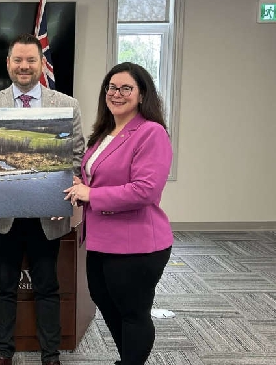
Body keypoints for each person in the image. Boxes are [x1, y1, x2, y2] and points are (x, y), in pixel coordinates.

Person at [0, 34, 84, 365]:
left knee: (47, 286)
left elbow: (76, 156)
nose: (24, 66)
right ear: (8, 63)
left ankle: (50, 356)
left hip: (47, 214)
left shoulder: (66, 104)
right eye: (18, 60)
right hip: (3, 215)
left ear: (41, 64)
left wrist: (61, 195)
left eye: (31, 60)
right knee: (4, 286)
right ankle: (2, 352)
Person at [64, 62, 173, 365]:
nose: (117, 93)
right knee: (105, 301)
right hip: (100, 240)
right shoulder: (105, 132)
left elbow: (145, 190)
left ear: (142, 95)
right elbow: (98, 178)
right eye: (112, 87)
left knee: (133, 313)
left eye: (126, 88)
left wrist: (91, 194)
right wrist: (80, 186)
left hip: (136, 243)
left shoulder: (151, 133)